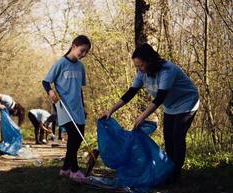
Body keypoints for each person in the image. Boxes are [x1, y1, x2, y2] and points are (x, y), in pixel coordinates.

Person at [103, 43, 199, 184]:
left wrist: (142, 116)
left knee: (177, 137)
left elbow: (159, 98)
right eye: (136, 66)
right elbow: (130, 93)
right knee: (168, 139)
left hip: (187, 101)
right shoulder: (142, 73)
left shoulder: (168, 70)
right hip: (170, 105)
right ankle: (169, 171)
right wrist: (111, 110)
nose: (139, 69)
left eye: (141, 65)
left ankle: (176, 175)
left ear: (150, 61)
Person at [42, 35, 91, 180]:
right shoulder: (61, 63)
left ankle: (64, 169)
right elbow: (45, 81)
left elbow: (79, 89)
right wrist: (50, 91)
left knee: (79, 138)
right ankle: (74, 170)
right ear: (74, 45)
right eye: (82, 50)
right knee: (74, 137)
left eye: (86, 52)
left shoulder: (81, 67)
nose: (83, 54)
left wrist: (83, 106)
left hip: (77, 107)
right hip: (64, 106)